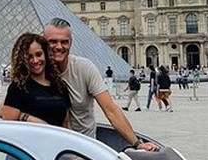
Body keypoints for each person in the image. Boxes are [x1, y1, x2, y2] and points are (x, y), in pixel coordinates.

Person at [43, 18, 158, 152]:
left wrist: (137, 143)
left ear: (71, 43)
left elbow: (111, 110)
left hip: (83, 150)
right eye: (52, 41)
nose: (59, 46)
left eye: (64, 42)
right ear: (43, 42)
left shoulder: (84, 68)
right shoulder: (34, 72)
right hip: (48, 151)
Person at [0, 32, 70, 127]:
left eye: (38, 54)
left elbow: (66, 123)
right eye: (29, 57)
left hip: (57, 141)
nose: (35, 61)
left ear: (46, 55)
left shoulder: (60, 85)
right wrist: (29, 119)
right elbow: (9, 127)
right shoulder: (18, 88)